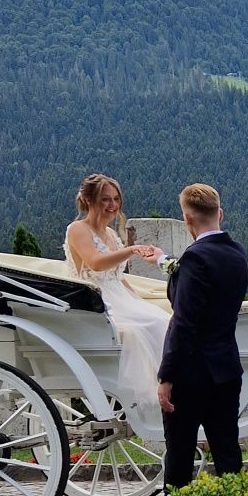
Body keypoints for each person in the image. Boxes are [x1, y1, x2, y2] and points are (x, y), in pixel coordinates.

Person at [157, 182, 248, 487]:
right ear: (220, 213)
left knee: (180, 457)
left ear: (187, 219)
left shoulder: (194, 259)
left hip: (192, 374)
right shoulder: (237, 254)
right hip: (226, 368)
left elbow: (184, 323)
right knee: (228, 455)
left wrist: (166, 376)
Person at [64, 175, 168, 433]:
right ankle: (164, 389)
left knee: (163, 318)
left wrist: (140, 300)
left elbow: (117, 277)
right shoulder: (77, 229)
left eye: (116, 199)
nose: (112, 205)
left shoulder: (110, 232)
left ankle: (175, 385)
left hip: (118, 294)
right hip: (95, 298)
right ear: (88, 201)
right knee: (153, 325)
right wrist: (132, 250)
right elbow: (96, 263)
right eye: (105, 199)